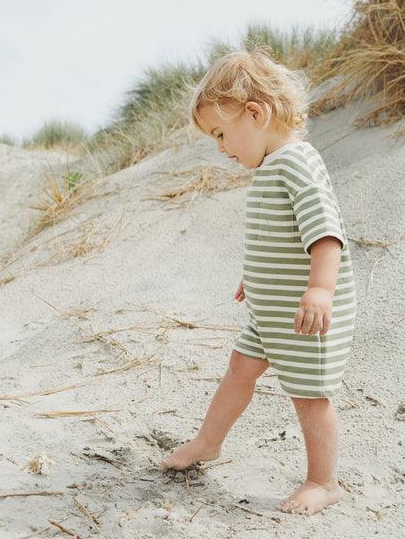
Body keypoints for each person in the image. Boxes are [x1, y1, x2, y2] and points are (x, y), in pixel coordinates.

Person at [161, 50, 356, 517]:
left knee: (310, 396)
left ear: (256, 112)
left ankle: (323, 481)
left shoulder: (295, 163)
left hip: (306, 315)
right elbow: (281, 233)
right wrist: (258, 274)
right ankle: (208, 443)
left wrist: (320, 292)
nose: (222, 148)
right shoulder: (272, 167)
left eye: (222, 134)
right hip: (271, 311)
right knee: (239, 369)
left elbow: (325, 234)